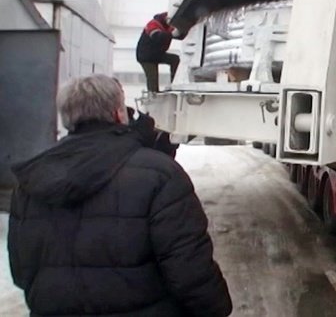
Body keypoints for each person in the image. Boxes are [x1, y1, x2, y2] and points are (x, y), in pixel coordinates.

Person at [8, 74, 232, 316]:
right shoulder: (160, 175)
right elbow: (189, 269)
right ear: (118, 114)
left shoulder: (32, 179)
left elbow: (22, 272)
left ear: (67, 118)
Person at [137, 12, 182, 92]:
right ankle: (153, 95)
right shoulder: (153, 24)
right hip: (146, 56)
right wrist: (171, 34)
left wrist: (182, 31)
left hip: (156, 54)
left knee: (175, 59)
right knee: (153, 79)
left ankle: (174, 83)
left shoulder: (168, 26)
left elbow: (178, 36)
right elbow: (157, 36)